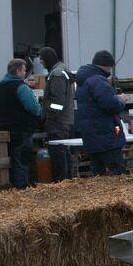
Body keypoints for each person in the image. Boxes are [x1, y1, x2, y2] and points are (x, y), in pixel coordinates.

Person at [75, 50, 129, 176]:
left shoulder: (83, 81)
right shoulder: (99, 81)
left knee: (98, 178)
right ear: (108, 65)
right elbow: (110, 105)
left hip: (92, 138)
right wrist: (120, 100)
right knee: (118, 175)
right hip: (107, 139)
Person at [0, 58, 41, 188]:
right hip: (22, 128)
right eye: (24, 70)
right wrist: (40, 110)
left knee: (11, 159)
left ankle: (12, 186)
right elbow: (33, 107)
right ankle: (22, 187)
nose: (25, 73)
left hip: (5, 129)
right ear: (18, 70)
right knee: (22, 159)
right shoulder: (21, 87)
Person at [39, 47, 76, 181]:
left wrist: (49, 117)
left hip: (58, 121)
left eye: (41, 59)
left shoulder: (57, 74)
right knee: (63, 150)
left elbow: (57, 101)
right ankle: (66, 180)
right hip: (63, 119)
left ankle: (61, 180)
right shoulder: (61, 71)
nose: (41, 63)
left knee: (58, 151)